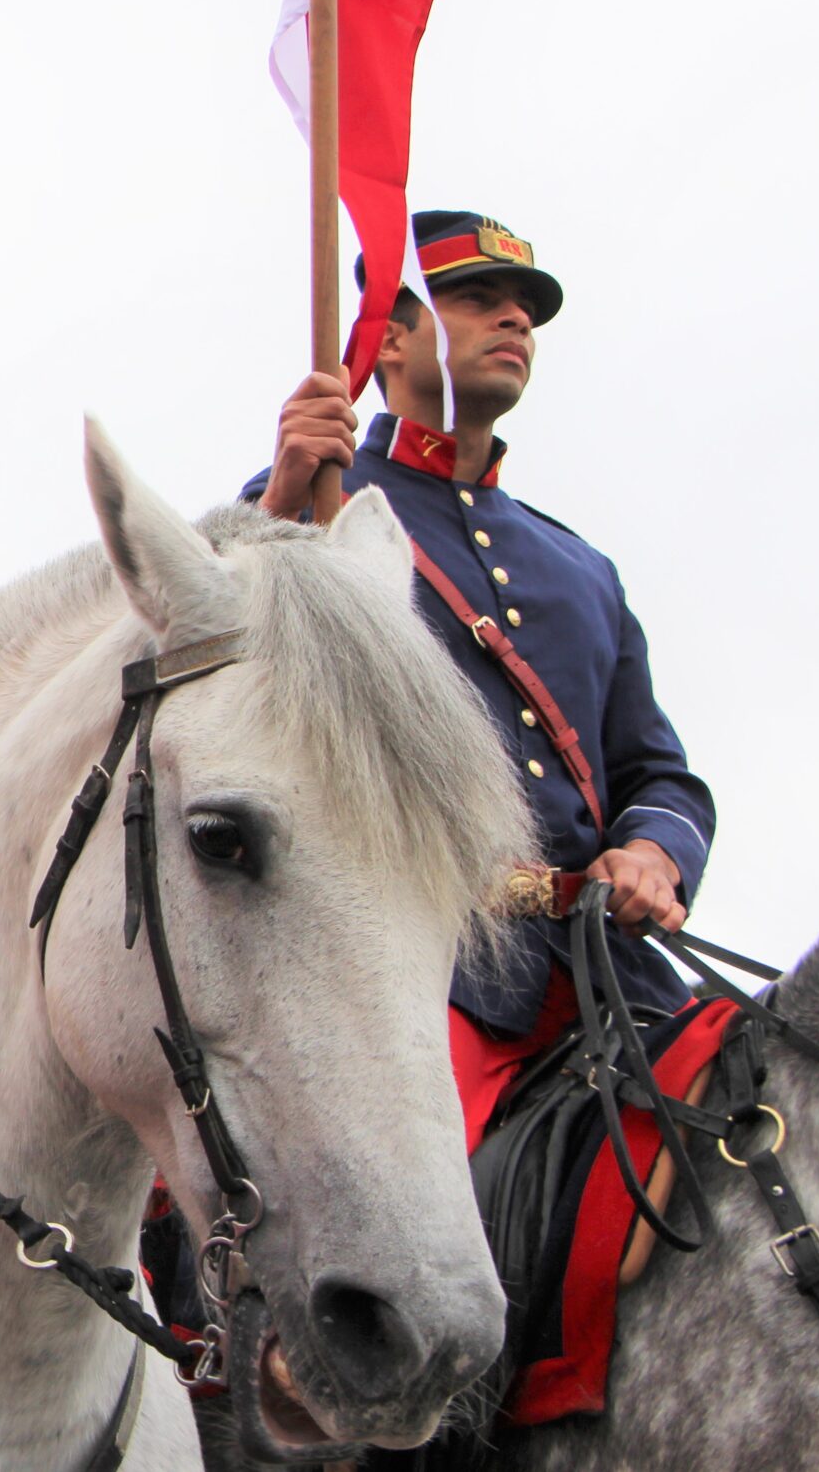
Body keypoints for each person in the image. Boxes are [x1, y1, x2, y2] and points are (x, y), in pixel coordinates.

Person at [249, 209, 714, 1137]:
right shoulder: (314, 510)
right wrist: (281, 501)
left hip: (609, 975)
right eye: (475, 300)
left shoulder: (581, 570)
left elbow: (660, 775)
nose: (516, 322)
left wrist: (652, 855)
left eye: (525, 310)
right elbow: (197, 677)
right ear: (388, 341)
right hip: (414, 963)